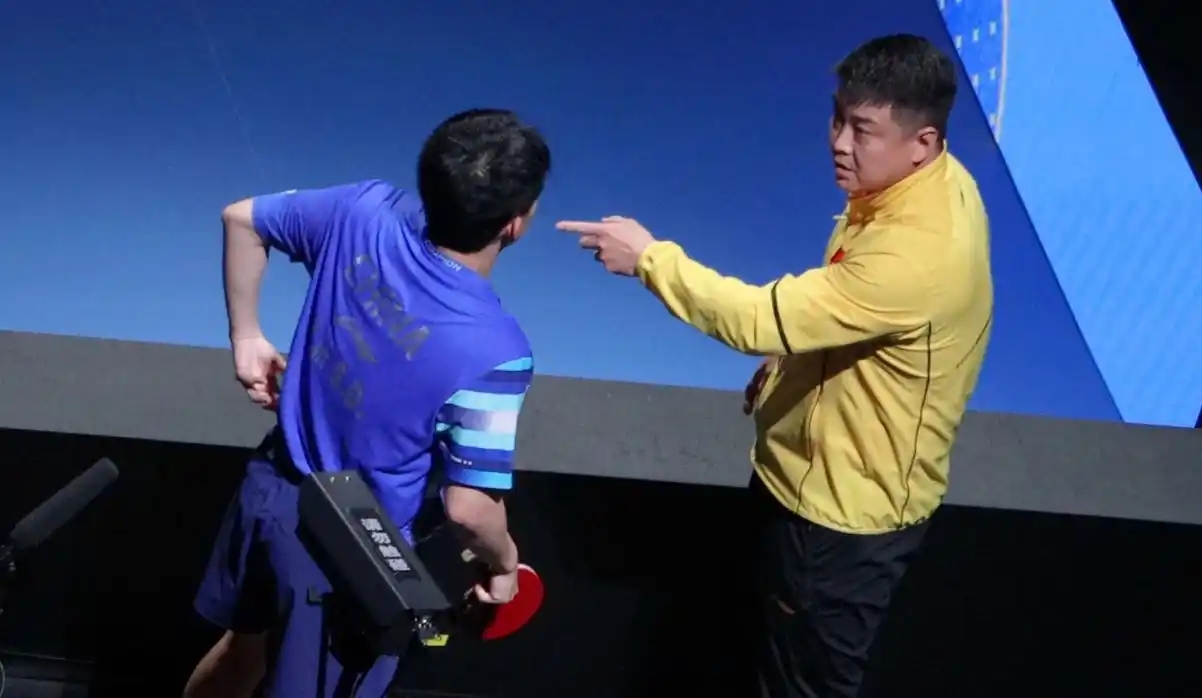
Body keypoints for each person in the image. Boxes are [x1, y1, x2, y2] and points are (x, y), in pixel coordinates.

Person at [558, 34, 993, 698]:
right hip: (800, 486)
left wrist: (648, 259)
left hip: (835, 524)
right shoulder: (923, 182)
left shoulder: (917, 253)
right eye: (837, 117)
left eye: (862, 130)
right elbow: (842, 308)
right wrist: (794, 353)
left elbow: (757, 317)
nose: (839, 142)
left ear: (922, 142)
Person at [183, 108, 551, 698]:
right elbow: (467, 512)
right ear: (514, 224)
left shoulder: (362, 208)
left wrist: (246, 336)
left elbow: (241, 219)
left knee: (241, 651)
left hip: (269, 488)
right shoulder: (495, 351)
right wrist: (505, 565)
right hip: (348, 557)